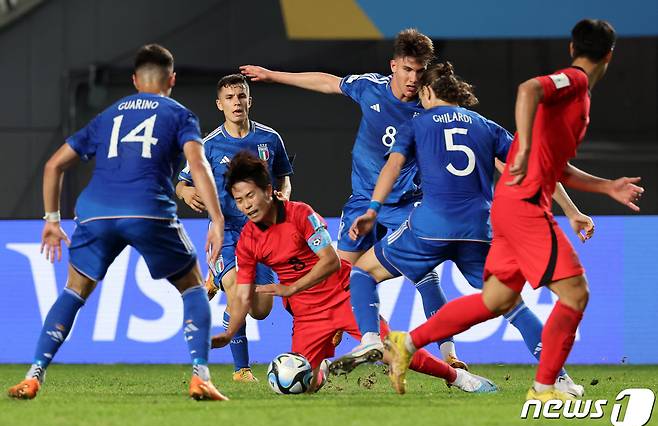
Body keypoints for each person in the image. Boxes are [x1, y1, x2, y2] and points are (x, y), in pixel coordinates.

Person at [385, 19, 644, 402]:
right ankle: (545, 387)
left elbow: (554, 165)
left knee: (497, 301)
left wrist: (604, 187)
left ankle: (407, 344)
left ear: (573, 47)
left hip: (508, 205)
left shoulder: (575, 96)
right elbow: (528, 89)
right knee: (575, 294)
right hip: (523, 207)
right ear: (608, 55)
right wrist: (521, 152)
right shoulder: (573, 82)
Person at [329, 61, 590, 397]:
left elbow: (393, 166)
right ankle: (560, 379)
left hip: (430, 227)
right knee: (512, 304)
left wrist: (373, 209)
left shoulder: (417, 123)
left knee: (363, 271)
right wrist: (573, 211)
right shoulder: (486, 126)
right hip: (479, 231)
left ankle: (370, 341)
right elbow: (539, 167)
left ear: (426, 91)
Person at [8, 44, 228, 401]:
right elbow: (198, 164)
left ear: (134, 80)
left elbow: (53, 165)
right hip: (147, 210)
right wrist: (216, 219)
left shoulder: (108, 114)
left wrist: (51, 220)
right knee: (192, 287)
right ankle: (200, 375)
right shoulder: (179, 114)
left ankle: (34, 374)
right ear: (171, 79)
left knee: (73, 292)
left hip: (95, 212)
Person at [240, 29, 464, 367]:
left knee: (425, 273)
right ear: (393, 66)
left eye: (419, 71)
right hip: (362, 203)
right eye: (406, 70)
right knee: (334, 276)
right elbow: (327, 82)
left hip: (405, 204)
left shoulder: (430, 107)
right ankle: (345, 343)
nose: (413, 79)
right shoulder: (370, 87)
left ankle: (451, 356)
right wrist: (272, 75)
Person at [211, 151, 498, 394]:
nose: (246, 205)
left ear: (267, 190)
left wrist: (291, 287)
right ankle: (321, 366)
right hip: (307, 314)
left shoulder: (300, 214)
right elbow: (244, 293)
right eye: (238, 200)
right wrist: (229, 332)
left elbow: (330, 262)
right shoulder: (248, 238)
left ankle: (459, 378)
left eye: (250, 196)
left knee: (391, 351)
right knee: (304, 384)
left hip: (343, 295)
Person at [176, 74, 293, 382]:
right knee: (239, 291)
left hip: (264, 233)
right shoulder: (209, 144)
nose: (236, 102)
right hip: (227, 232)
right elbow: (182, 182)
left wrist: (283, 198)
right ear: (220, 104)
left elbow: (283, 178)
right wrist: (186, 192)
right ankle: (242, 370)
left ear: (249, 101)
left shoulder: (270, 139)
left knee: (261, 309)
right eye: (230, 98)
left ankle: (215, 280)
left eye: (241, 96)